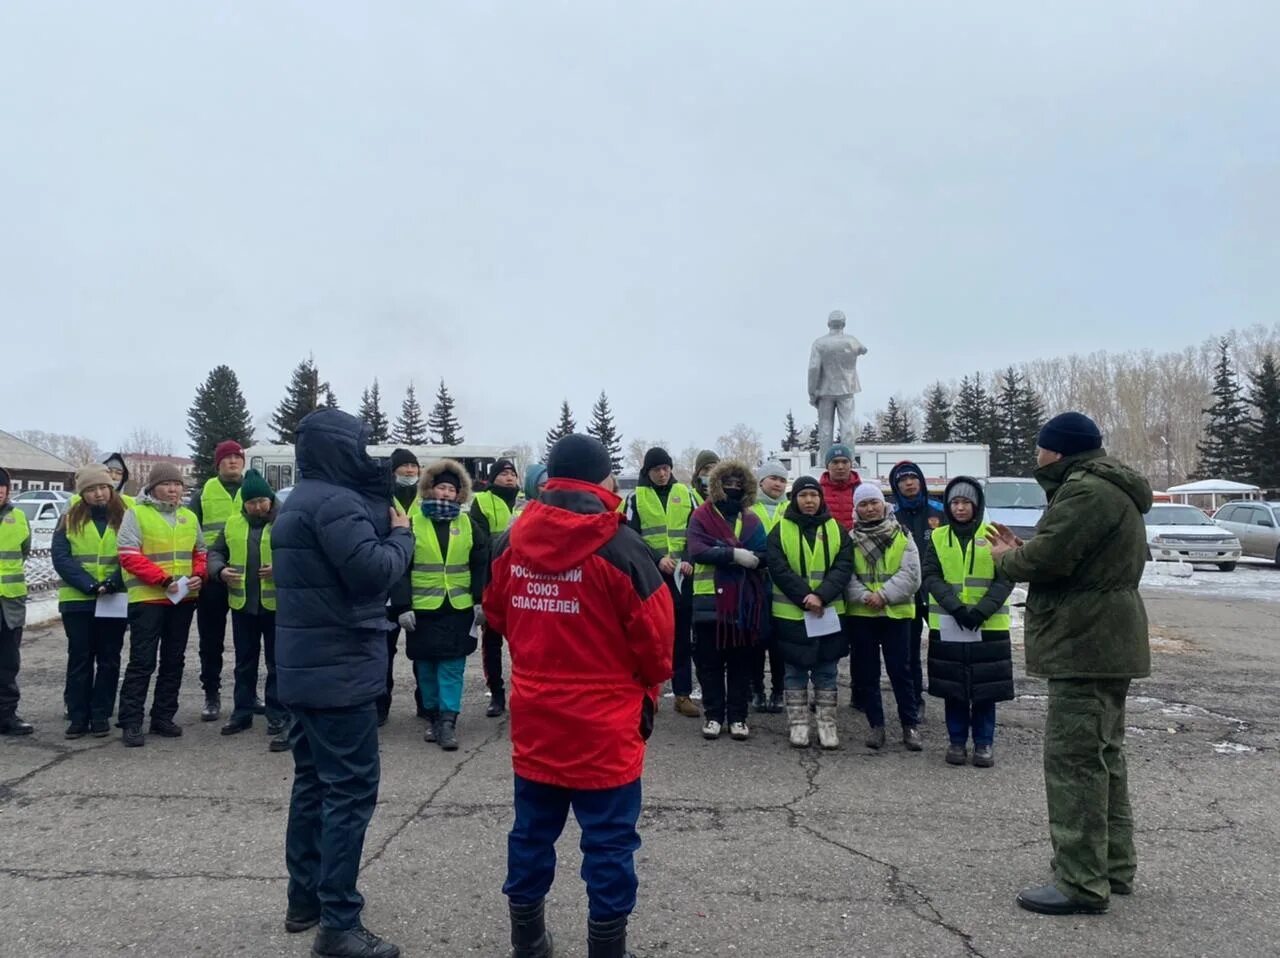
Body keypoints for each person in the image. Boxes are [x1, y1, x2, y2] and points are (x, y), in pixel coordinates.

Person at [484, 433, 672, 958]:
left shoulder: (511, 541)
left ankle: (528, 940)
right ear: (603, 479)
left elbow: (496, 614)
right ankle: (607, 950)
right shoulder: (624, 548)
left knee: (530, 834)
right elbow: (658, 649)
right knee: (610, 844)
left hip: (537, 718)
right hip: (606, 726)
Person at [988, 412, 1152, 917]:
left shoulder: (1084, 492)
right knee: (1103, 754)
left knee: (1075, 761)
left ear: (1056, 451)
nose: (1036, 456)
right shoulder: (1108, 488)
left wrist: (1006, 558)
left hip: (1086, 639)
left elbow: (1049, 562)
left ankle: (1082, 882)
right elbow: (1070, 554)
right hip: (1108, 637)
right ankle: (1112, 865)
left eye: (1040, 448)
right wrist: (1031, 548)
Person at [273, 408, 414, 958]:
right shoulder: (335, 504)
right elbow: (374, 569)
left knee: (312, 783)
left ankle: (303, 899)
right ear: (339, 449)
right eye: (359, 445)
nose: (367, 455)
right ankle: (338, 922)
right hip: (338, 670)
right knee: (350, 792)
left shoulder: (300, 499)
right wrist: (403, 538)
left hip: (306, 666)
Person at [397, 459, 489, 751]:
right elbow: (400, 567)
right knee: (425, 666)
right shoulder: (413, 524)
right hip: (422, 609)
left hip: (458, 608)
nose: (446, 493)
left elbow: (480, 564)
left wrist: (479, 600)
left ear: (458, 494)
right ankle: (433, 716)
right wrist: (402, 606)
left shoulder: (468, 523)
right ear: (430, 490)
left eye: (451, 489)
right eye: (441, 488)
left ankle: (448, 721)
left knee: (451, 666)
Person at [922, 478, 1013, 767]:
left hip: (988, 626)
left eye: (966, 502)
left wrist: (981, 611)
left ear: (976, 505)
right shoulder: (938, 537)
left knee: (985, 691)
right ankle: (957, 742)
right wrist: (957, 608)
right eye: (955, 503)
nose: (960, 508)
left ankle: (984, 744)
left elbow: (1006, 577)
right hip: (951, 624)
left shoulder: (993, 535)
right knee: (955, 689)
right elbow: (931, 576)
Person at [116, 463, 207, 747]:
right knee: (142, 661)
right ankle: (131, 721)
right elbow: (128, 554)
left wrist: (198, 575)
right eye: (167, 484)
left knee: (173, 660)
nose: (173, 489)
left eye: (177, 484)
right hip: (148, 599)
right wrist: (163, 579)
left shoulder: (189, 517)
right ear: (153, 487)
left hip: (181, 600)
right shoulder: (136, 514)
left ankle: (163, 716)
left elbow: (200, 551)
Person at [767, 475, 854, 749]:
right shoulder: (779, 531)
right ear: (795, 499)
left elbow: (843, 567)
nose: (809, 500)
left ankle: (827, 726)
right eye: (803, 496)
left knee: (827, 670)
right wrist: (805, 597)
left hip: (826, 614)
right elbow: (778, 569)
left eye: (814, 495)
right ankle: (799, 725)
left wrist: (821, 595)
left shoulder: (837, 530)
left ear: (821, 498)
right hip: (792, 615)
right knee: (793, 672)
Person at [207, 468, 289, 749]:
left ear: (270, 499)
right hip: (243, 605)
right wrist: (219, 570)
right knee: (244, 663)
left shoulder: (284, 522)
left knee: (277, 664)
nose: (257, 507)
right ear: (243, 504)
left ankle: (278, 714)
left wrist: (281, 569)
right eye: (251, 503)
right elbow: (216, 552)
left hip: (276, 605)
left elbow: (300, 554)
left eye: (261, 502)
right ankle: (242, 713)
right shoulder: (233, 523)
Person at [687, 460, 768, 742]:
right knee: (709, 664)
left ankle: (737, 717)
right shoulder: (700, 516)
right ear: (717, 486)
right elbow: (697, 550)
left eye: (738, 484)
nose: (733, 488)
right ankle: (713, 715)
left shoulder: (752, 519)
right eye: (727, 484)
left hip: (743, 603)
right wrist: (735, 555)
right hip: (708, 600)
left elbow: (762, 553)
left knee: (740, 663)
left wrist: (722, 550)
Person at [845, 484, 922, 751]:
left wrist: (884, 596)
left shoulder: (902, 535)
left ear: (883, 504)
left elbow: (911, 575)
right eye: (863, 504)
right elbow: (845, 574)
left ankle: (909, 725)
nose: (869, 508)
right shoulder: (850, 539)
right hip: (862, 614)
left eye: (873, 503)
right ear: (856, 509)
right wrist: (866, 596)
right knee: (868, 673)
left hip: (896, 614)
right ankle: (876, 725)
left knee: (901, 671)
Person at [624, 447, 699, 720]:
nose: (663, 473)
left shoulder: (687, 494)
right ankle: (647, 695)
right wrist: (656, 559)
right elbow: (629, 537)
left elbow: (698, 529)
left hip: (682, 576)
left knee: (680, 637)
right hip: (651, 576)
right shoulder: (635, 498)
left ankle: (682, 694)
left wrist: (689, 557)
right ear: (648, 471)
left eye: (666, 468)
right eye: (657, 469)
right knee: (650, 637)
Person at [53, 464, 128, 739]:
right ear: (82, 494)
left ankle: (100, 714)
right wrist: (88, 585)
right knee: (80, 658)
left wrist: (112, 583)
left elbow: (132, 553)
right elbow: (61, 557)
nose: (98, 494)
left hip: (114, 598)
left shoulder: (125, 516)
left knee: (109, 658)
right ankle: (77, 716)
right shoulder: (68, 519)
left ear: (110, 488)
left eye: (102, 488)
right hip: (78, 600)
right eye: (91, 490)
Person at [190, 439, 246, 722]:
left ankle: (247, 695)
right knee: (210, 640)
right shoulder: (203, 494)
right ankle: (211, 694)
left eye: (237, 457)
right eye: (227, 458)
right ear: (218, 464)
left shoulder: (255, 489)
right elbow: (191, 533)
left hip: (245, 576)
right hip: (212, 578)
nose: (233, 462)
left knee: (247, 642)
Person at [890, 460, 946, 718]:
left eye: (913, 478)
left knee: (943, 646)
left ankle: (950, 694)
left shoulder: (940, 511)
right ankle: (915, 698)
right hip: (906, 594)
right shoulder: (892, 516)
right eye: (902, 480)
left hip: (937, 592)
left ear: (921, 481)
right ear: (896, 485)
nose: (908, 483)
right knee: (907, 651)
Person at [378, 448, 424, 726]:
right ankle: (381, 705)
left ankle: (425, 703)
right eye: (404, 466)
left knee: (421, 650)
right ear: (393, 471)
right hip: (387, 587)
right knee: (383, 652)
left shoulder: (427, 497)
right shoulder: (382, 499)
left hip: (419, 586)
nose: (409, 471)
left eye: (413, 466)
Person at [473, 457, 520, 717]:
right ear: (493, 478)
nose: (509, 477)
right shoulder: (481, 501)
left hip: (520, 582)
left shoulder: (526, 503)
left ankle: (523, 691)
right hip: (493, 581)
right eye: (503, 473)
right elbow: (479, 546)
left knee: (524, 642)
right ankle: (497, 694)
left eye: (512, 473)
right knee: (491, 642)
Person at [750, 460, 791, 714]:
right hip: (756, 580)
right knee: (756, 638)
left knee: (779, 640)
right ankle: (756, 688)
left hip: (783, 583)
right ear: (761, 481)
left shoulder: (790, 509)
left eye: (782, 479)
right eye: (773, 478)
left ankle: (779, 690)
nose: (777, 483)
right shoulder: (750, 509)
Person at [0, 467, 33, 736]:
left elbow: (23, 552)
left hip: (9, 603)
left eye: (2, 489)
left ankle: (7, 715)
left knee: (8, 662)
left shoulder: (19, 516)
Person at [819, 444, 862, 532]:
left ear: (851, 465)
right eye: (835, 462)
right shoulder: (818, 492)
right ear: (827, 466)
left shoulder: (861, 490)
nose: (840, 467)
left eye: (845, 462)